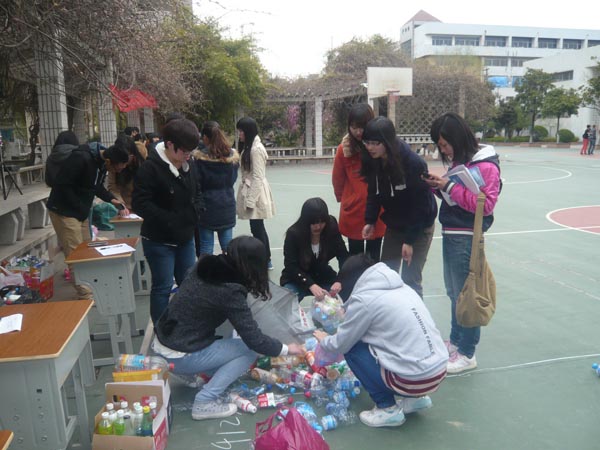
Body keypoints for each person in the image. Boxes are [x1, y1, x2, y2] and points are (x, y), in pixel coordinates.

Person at [152, 236, 304, 420]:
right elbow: (255, 341)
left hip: (164, 342)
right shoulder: (230, 291)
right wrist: (286, 348)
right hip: (179, 354)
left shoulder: (205, 266)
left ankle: (192, 373)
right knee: (249, 350)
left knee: (231, 336)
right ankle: (204, 401)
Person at [313, 254, 447, 428]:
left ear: (354, 281)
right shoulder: (403, 287)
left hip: (412, 380)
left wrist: (325, 340)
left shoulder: (365, 299)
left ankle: (387, 408)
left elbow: (342, 343)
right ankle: (416, 399)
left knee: (352, 348)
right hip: (437, 372)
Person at [424, 112, 501, 374]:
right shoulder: (463, 162)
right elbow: (456, 198)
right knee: (454, 293)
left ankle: (468, 353)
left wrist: (448, 186)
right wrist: (439, 186)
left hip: (467, 237)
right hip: (452, 232)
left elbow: (485, 206)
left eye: (445, 144)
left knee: (466, 295)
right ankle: (456, 341)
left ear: (457, 139)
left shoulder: (486, 166)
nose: (444, 150)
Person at [132, 118, 201, 324]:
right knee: (162, 287)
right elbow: (140, 204)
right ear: (170, 144)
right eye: (184, 151)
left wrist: (197, 211)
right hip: (159, 240)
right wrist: (171, 220)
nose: (188, 155)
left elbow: (198, 192)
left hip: (185, 237)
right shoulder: (150, 168)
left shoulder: (190, 164)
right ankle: (162, 331)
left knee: (188, 284)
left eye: (191, 151)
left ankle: (187, 325)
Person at [361, 117, 438, 299]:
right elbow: (374, 192)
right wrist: (370, 220)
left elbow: (420, 206)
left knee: (410, 280)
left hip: (419, 227)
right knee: (386, 277)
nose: (370, 147)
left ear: (387, 142)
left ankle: (415, 317)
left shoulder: (413, 164)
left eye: (375, 143)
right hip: (395, 225)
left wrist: (410, 241)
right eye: (367, 142)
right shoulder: (374, 160)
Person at [47, 131, 129, 299]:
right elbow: (63, 185)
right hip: (64, 211)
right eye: (117, 168)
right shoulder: (81, 158)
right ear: (109, 161)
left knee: (86, 249)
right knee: (75, 253)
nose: (117, 171)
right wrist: (79, 207)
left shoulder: (100, 163)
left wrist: (112, 199)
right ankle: (85, 294)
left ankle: (92, 284)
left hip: (80, 211)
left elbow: (96, 186)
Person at [332, 103, 385, 261]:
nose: (358, 132)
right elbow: (338, 179)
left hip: (378, 211)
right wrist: (346, 199)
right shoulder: (344, 149)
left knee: (374, 257)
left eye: (362, 127)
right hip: (354, 211)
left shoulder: (380, 147)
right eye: (354, 127)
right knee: (355, 258)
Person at [280, 197, 349, 302]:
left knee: (345, 294)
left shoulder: (331, 226)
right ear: (305, 221)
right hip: (297, 278)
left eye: (322, 222)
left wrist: (340, 280)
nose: (318, 227)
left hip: (323, 275)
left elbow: (343, 255)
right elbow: (291, 266)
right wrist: (310, 284)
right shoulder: (293, 234)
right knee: (287, 301)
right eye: (313, 223)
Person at [193, 121, 239, 256]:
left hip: (207, 205)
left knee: (206, 246)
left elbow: (197, 182)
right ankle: (229, 269)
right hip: (227, 203)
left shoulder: (200, 158)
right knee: (228, 247)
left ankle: (204, 270)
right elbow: (233, 179)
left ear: (205, 137)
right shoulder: (231, 156)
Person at [235, 117, 276, 270]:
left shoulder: (256, 149)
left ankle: (265, 259)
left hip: (256, 192)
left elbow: (258, 177)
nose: (239, 134)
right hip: (252, 189)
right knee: (257, 227)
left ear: (248, 131)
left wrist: (251, 200)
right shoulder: (249, 146)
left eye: (241, 131)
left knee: (257, 227)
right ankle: (265, 258)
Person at [106, 134, 146, 215]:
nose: (126, 160)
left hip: (143, 204)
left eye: (129, 156)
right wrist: (121, 205)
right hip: (126, 205)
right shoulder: (113, 162)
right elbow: (112, 187)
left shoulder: (141, 155)